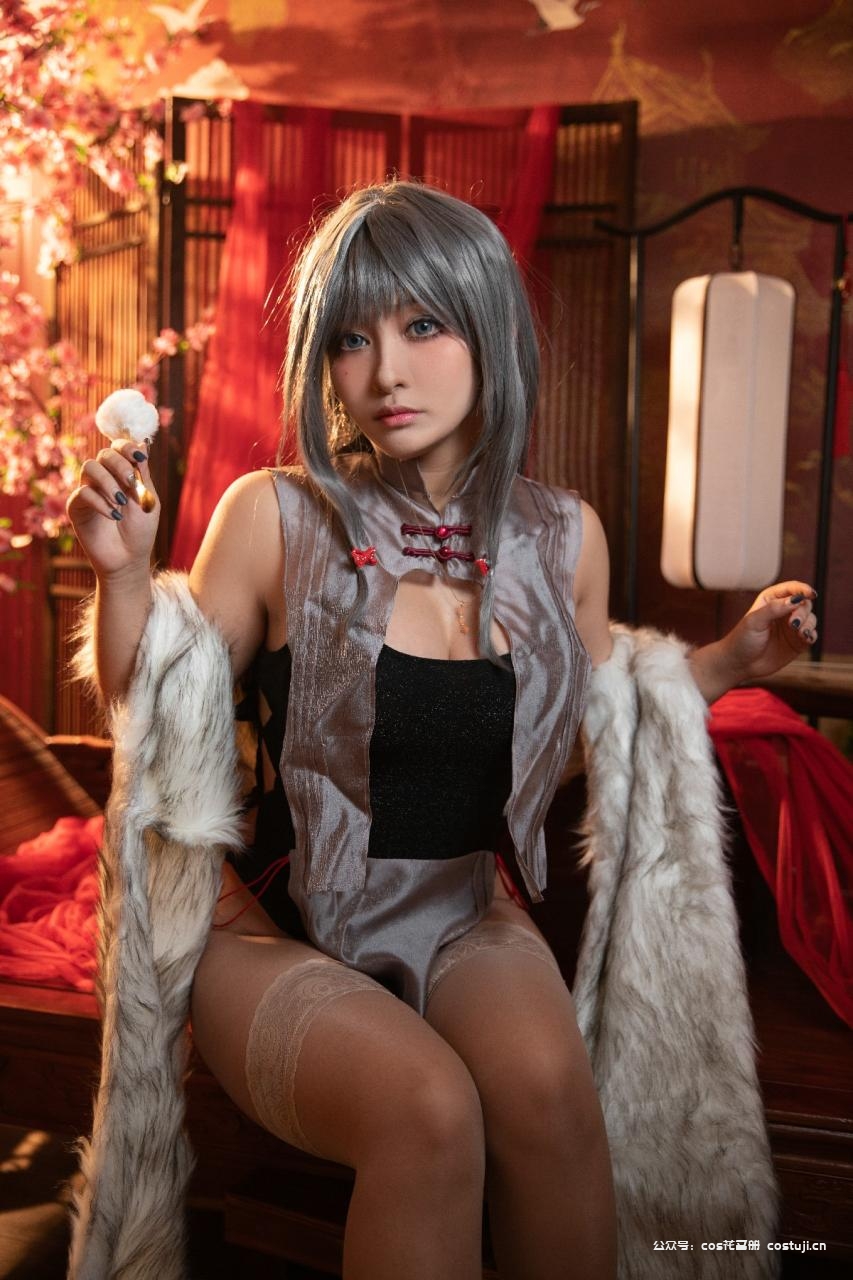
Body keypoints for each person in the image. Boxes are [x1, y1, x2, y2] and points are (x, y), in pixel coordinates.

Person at [67, 180, 817, 1280]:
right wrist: (125, 575)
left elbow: (578, 733)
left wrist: (725, 666)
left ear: (489, 331)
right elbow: (155, 708)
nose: (385, 370)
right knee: (427, 1110)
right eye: (351, 337)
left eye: (423, 324)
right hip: (263, 924)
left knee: (554, 1100)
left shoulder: (562, 538)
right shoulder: (274, 513)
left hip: (459, 906)